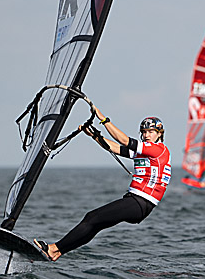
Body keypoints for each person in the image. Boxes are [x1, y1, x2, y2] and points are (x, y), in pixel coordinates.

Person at [34, 108, 171, 261]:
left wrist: (104, 120)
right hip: (136, 202)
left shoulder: (158, 150)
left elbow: (125, 141)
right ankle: (58, 252)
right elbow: (115, 148)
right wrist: (94, 135)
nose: (146, 135)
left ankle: (54, 248)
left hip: (140, 202)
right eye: (144, 132)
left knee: (92, 217)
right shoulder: (144, 151)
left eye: (151, 132)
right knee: (95, 224)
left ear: (160, 134)